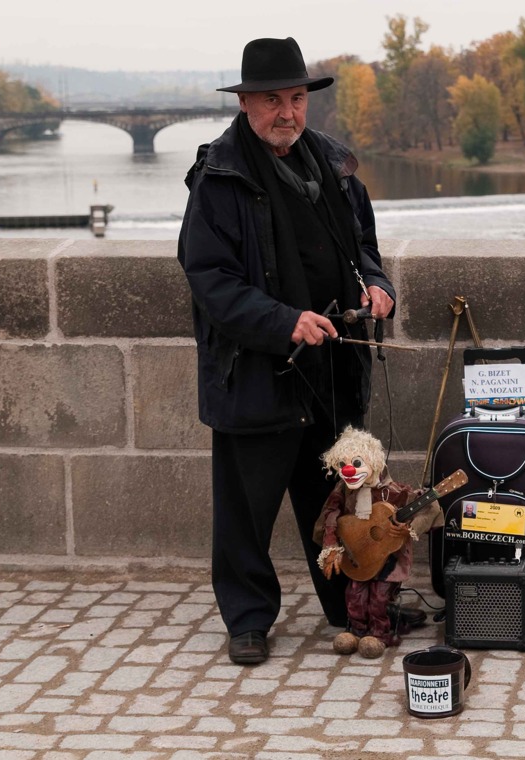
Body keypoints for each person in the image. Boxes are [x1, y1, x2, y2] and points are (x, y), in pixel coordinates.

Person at [177, 37, 413, 665]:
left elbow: (363, 246)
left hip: (332, 368)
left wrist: (378, 286)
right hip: (256, 370)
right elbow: (210, 280)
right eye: (274, 100)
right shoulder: (219, 177)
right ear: (248, 103)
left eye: (298, 98)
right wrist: (284, 322)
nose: (288, 111)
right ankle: (249, 619)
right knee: (246, 510)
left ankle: (350, 606)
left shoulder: (333, 164)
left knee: (339, 504)